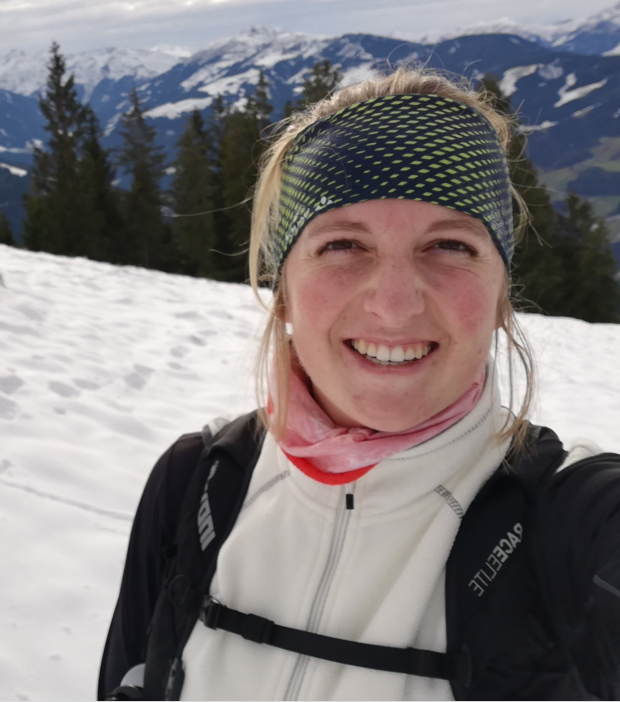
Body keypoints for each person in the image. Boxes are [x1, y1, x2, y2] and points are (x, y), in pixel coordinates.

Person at [98, 69, 620, 701]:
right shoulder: (198, 482)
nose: (395, 306)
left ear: (499, 293)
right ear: (284, 290)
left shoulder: (568, 518)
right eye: (344, 244)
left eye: (450, 246)